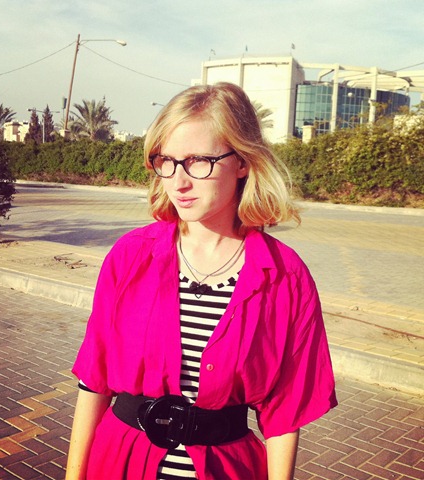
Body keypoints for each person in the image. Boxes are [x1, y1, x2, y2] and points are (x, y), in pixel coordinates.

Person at [66, 82, 337, 480]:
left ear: (242, 162)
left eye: (198, 161)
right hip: (120, 464)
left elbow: (285, 411)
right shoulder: (130, 257)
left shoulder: (285, 276)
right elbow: (95, 381)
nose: (178, 181)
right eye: (167, 160)